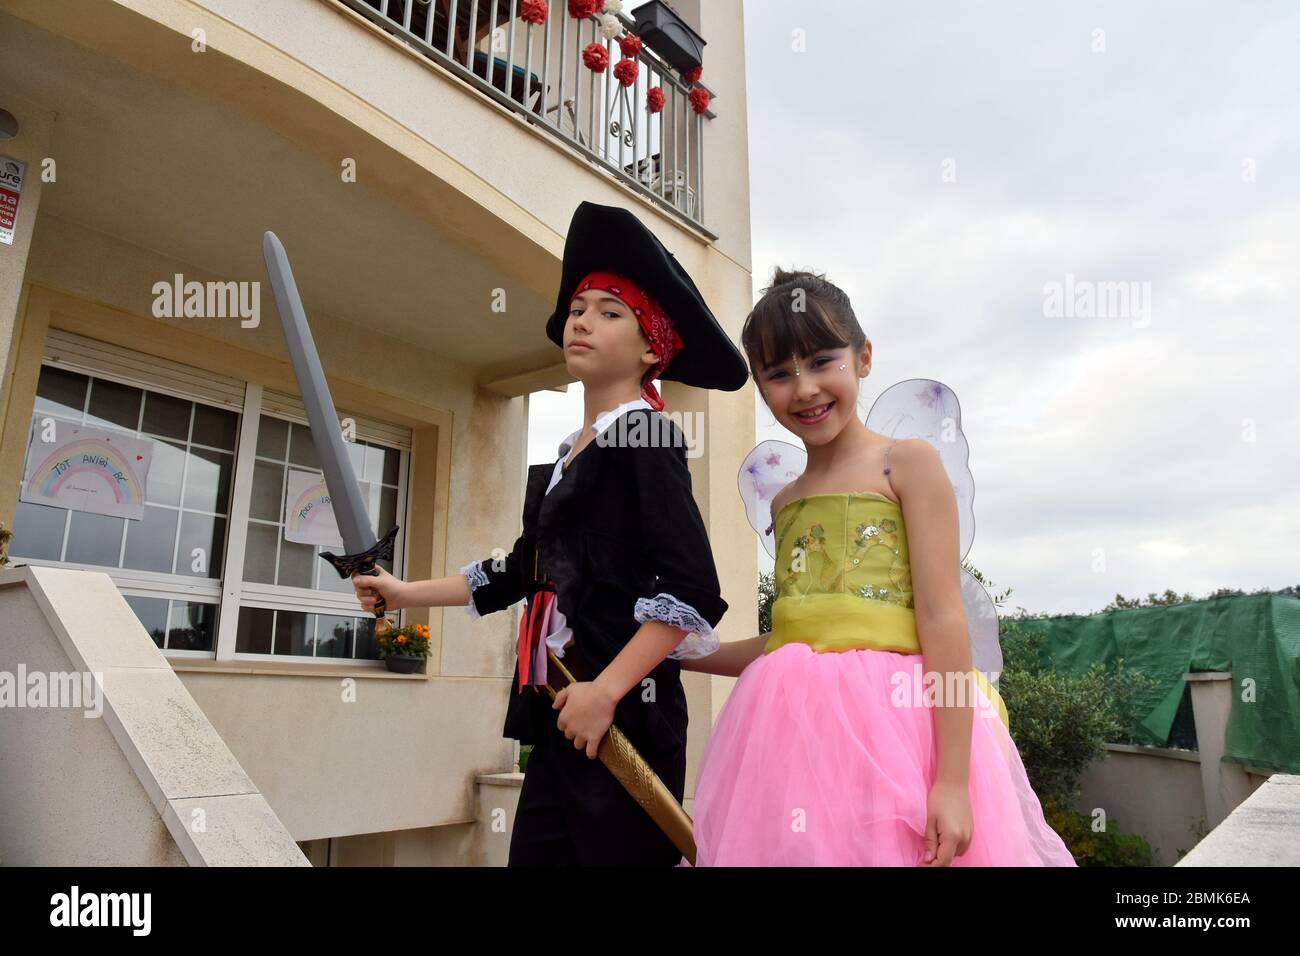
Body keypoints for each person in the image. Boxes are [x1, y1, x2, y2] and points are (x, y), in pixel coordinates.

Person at [353, 201, 748, 865]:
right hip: (562, 716)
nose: (582, 319)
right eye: (577, 309)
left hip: (623, 722)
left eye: (608, 311)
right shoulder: (571, 453)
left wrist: (606, 691)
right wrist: (402, 592)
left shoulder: (647, 436)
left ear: (653, 347)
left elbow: (688, 590)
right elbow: (517, 572)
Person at [682, 267, 1077, 866]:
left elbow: (944, 618)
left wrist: (950, 781)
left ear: (863, 357)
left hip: (902, 731)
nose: (805, 388)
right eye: (779, 374)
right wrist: (681, 651)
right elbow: (793, 638)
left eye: (821, 361)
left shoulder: (907, 464)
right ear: (760, 388)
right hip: (792, 749)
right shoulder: (785, 502)